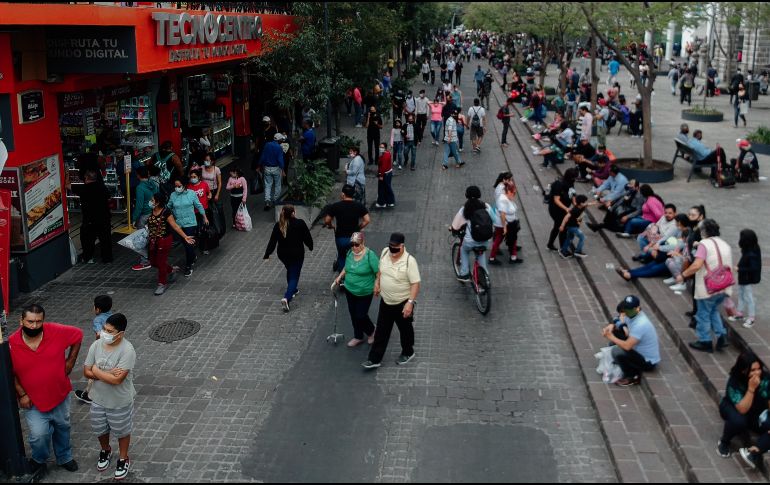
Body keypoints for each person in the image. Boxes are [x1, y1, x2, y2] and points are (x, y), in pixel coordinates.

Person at [10, 304, 83, 475]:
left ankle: (64, 457)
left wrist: (70, 361)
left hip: (59, 393)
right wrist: (22, 394)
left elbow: (78, 335)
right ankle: (39, 459)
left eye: (38, 322)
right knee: (39, 434)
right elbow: (10, 374)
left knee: (62, 426)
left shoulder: (55, 331)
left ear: (43, 320)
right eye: (30, 321)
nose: (34, 326)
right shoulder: (11, 344)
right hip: (33, 400)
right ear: (21, 321)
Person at [83, 313, 136, 480]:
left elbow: (117, 380)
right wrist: (106, 373)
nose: (104, 333)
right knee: (100, 428)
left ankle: (123, 458)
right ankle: (105, 450)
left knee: (122, 431)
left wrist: (97, 371)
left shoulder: (127, 350)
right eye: (105, 329)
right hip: (98, 398)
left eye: (110, 331)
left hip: (119, 401)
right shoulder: (96, 345)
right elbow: (86, 371)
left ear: (120, 333)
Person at [362, 232, 421, 370]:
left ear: (402, 246)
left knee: (405, 330)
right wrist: (377, 283)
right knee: (381, 331)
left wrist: (410, 303)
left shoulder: (409, 261)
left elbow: (415, 284)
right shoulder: (384, 253)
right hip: (386, 301)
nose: (392, 251)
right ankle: (374, 359)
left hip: (402, 303)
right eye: (390, 247)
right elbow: (380, 271)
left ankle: (408, 352)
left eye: (395, 248)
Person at [676, 219, 732, 353]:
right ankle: (721, 336)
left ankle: (705, 341)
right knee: (713, 310)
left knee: (703, 314)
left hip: (709, 287)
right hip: (724, 285)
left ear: (704, 231)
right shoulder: (724, 244)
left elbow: (696, 265)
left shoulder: (704, 245)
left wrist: (683, 275)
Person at [717, 351, 770, 466]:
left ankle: (754, 452)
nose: (757, 373)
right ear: (743, 371)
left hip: (756, 413)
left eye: (758, 369)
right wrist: (751, 389)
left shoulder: (765, 378)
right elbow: (742, 409)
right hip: (735, 409)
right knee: (739, 421)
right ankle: (724, 442)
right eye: (752, 370)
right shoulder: (735, 382)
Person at [601, 295, 661, 387]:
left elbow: (627, 346)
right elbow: (618, 319)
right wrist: (611, 326)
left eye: (628, 309)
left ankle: (632, 376)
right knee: (615, 337)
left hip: (647, 361)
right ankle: (625, 364)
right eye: (625, 308)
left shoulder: (641, 324)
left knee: (617, 351)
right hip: (636, 349)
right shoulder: (631, 314)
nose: (625, 311)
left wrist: (611, 336)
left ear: (637, 309)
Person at [263, 205, 314, 312]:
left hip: (283, 254)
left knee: (290, 269)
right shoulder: (300, 223)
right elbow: (307, 237)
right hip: (297, 254)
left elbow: (272, 241)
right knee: (294, 276)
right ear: (293, 213)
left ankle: (294, 289)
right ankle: (287, 297)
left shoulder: (279, 225)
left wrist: (267, 254)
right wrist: (310, 246)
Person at [332, 232, 378, 347]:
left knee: (361, 315)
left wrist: (377, 284)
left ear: (363, 243)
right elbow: (346, 268)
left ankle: (372, 331)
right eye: (352, 244)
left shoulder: (370, 255)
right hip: (350, 289)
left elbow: (378, 272)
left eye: (356, 245)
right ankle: (358, 336)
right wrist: (339, 277)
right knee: (353, 314)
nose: (354, 247)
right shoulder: (350, 253)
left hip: (365, 291)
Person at [146, 192, 190, 296]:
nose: (150, 202)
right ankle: (171, 270)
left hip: (164, 240)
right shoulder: (151, 210)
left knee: (161, 262)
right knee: (153, 262)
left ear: (157, 202)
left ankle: (162, 284)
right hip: (153, 240)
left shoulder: (166, 212)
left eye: (152, 200)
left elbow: (175, 226)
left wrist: (185, 236)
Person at [73, 295, 113, 404]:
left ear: (97, 309)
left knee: (94, 371)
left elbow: (99, 334)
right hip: (115, 348)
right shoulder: (113, 317)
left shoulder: (98, 320)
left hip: (103, 350)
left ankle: (89, 395)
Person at [450, 185, 494, 282]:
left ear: (466, 195)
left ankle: (464, 273)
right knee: (481, 253)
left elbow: (455, 226)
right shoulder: (486, 206)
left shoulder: (465, 209)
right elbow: (493, 219)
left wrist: (453, 229)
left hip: (471, 241)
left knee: (464, 250)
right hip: (486, 239)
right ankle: (485, 275)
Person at [323, 184, 371, 273]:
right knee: (354, 255)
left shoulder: (335, 206)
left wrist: (330, 225)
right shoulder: (359, 206)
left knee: (341, 256)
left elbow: (327, 220)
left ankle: (342, 277)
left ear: (343, 194)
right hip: (354, 237)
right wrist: (359, 227)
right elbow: (367, 220)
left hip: (341, 237)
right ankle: (353, 273)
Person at [69, 170, 113, 264]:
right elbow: (109, 197)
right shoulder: (102, 187)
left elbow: (67, 186)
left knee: (87, 239)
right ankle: (107, 258)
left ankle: (88, 258)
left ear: (86, 178)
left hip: (90, 219)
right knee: (105, 239)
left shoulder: (83, 188)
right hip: (104, 217)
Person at [169, 177, 207, 278]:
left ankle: (188, 266)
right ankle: (193, 256)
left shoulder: (191, 193)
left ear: (184, 185)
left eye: (179, 186)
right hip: (179, 225)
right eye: (175, 186)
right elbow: (169, 206)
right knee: (185, 244)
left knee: (188, 245)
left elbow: (198, 205)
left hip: (190, 224)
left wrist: (204, 217)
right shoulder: (173, 195)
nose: (177, 188)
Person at [727, 229, 761, 329]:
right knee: (741, 294)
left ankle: (751, 317)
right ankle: (739, 312)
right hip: (744, 277)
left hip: (747, 278)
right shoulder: (750, 248)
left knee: (748, 297)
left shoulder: (751, 252)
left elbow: (753, 267)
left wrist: (739, 268)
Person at [127, 167, 159, 271]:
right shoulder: (153, 184)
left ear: (138, 175)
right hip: (154, 213)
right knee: (152, 237)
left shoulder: (140, 188)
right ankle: (154, 258)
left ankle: (145, 262)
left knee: (141, 240)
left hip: (144, 216)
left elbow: (139, 206)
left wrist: (134, 218)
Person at [547, 168, 578, 252]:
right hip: (556, 209)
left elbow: (572, 194)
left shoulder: (571, 183)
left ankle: (550, 244)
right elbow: (556, 200)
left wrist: (576, 204)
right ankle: (563, 249)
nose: (574, 179)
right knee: (562, 228)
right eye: (574, 178)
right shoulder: (559, 184)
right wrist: (566, 208)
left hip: (564, 209)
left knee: (557, 227)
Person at [491, 182, 522, 264]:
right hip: (503, 225)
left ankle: (513, 257)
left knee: (512, 239)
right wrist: (504, 227)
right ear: (508, 191)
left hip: (510, 224)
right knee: (499, 239)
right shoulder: (503, 200)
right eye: (513, 193)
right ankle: (492, 257)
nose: (514, 195)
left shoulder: (507, 198)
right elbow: (502, 214)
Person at [258, 133, 286, 211]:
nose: (282, 141)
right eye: (281, 140)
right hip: (276, 168)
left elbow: (263, 156)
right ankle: (275, 200)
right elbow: (280, 160)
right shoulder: (279, 148)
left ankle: (267, 202)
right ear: (279, 140)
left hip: (267, 168)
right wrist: (283, 170)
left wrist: (259, 165)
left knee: (267, 185)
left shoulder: (267, 145)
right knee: (277, 185)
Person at [559, 194, 591, 259]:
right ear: (581, 203)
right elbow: (566, 217)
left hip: (574, 226)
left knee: (569, 238)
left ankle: (563, 251)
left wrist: (597, 202)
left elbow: (589, 204)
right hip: (572, 227)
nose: (586, 203)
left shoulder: (582, 206)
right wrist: (562, 226)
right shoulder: (575, 210)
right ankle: (578, 251)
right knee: (582, 237)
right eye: (585, 202)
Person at [376, 143, 396, 208]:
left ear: (385, 148)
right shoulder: (387, 153)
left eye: (382, 147)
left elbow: (383, 167)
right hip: (388, 173)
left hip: (385, 174)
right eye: (380, 147)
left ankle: (382, 203)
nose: (380, 148)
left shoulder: (385, 156)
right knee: (387, 187)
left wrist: (381, 175)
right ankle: (389, 201)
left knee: (382, 188)